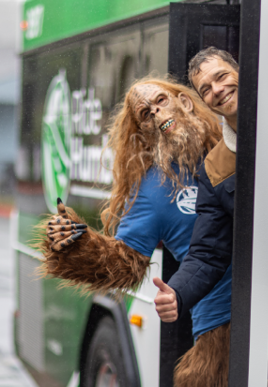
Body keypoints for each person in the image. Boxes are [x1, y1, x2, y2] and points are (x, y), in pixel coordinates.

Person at [37, 76, 229, 386]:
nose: (155, 112)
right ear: (143, 132)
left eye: (161, 101)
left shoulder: (232, 142)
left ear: (185, 102)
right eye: (145, 113)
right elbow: (124, 261)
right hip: (221, 324)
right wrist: (77, 244)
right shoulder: (153, 189)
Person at [154, 47, 268, 386]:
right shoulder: (214, 168)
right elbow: (208, 253)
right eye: (206, 89)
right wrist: (176, 293)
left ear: (243, 72)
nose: (217, 90)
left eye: (221, 76)